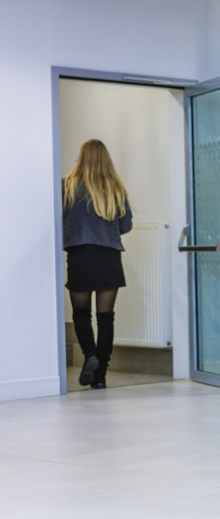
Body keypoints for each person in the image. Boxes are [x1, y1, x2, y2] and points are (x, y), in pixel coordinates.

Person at [63, 139, 133, 389]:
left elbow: (56, 219)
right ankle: (101, 376)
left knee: (81, 314)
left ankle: (90, 355)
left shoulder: (68, 186)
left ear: (82, 157)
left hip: (80, 256)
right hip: (109, 257)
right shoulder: (116, 188)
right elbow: (126, 226)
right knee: (106, 318)